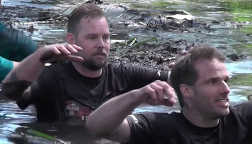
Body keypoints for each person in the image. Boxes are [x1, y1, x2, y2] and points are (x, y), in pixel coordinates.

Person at [2, 3, 171, 122]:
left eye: (105, 37)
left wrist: (192, 60)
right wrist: (39, 56)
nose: (101, 44)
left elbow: (179, 77)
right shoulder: (51, 77)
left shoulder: (122, 75)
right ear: (71, 40)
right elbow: (11, 92)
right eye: (92, 37)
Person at [86, 46, 252, 144]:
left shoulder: (243, 117)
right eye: (212, 82)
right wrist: (136, 96)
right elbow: (96, 126)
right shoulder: (160, 128)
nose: (226, 89)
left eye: (226, 80)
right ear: (187, 91)